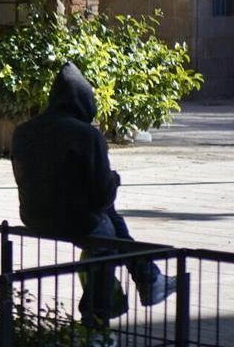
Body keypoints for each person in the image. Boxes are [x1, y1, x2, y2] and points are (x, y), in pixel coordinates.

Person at [10, 62, 177, 329]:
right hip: (75, 221)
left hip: (34, 215)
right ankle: (96, 319)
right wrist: (115, 180)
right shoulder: (87, 135)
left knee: (107, 218)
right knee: (105, 237)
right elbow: (102, 195)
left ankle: (149, 277)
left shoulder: (23, 131)